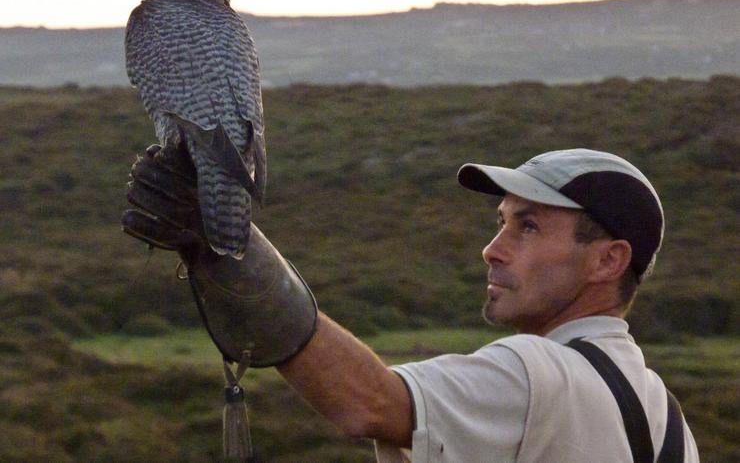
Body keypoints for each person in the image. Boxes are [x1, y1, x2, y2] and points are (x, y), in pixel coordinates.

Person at [123, 145, 699, 462]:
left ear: (608, 261)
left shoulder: (540, 375)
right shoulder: (664, 415)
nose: (491, 250)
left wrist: (230, 244)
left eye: (528, 228)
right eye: (500, 224)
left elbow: (370, 403)